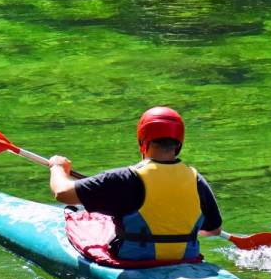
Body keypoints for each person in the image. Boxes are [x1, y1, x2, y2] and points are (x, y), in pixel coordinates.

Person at [48, 106, 222, 263]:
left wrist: (57, 167)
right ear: (179, 144)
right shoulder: (195, 179)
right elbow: (213, 230)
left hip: (133, 260)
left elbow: (62, 193)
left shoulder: (124, 178)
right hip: (186, 258)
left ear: (142, 141)